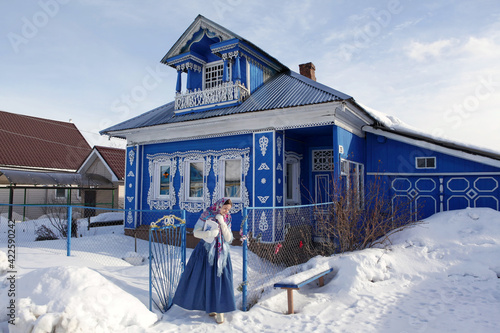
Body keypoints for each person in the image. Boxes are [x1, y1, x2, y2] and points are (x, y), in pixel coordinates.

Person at [172, 198, 236, 324]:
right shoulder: (206, 215)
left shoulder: (227, 217)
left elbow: (228, 238)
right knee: (205, 279)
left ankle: (220, 310)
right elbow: (196, 232)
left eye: (228, 209)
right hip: (205, 251)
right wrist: (210, 233)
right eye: (224, 208)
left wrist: (222, 223)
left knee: (221, 280)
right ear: (219, 205)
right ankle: (211, 307)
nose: (226, 211)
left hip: (221, 253)